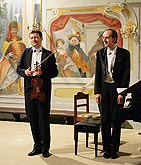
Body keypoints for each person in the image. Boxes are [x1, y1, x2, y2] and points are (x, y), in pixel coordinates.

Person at [16, 30, 58, 158]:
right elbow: (19, 68)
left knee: (43, 120)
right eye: (32, 38)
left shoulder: (49, 54)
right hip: (30, 90)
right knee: (33, 119)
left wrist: (42, 73)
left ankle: (45, 148)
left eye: (36, 37)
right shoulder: (26, 52)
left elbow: (55, 73)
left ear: (41, 39)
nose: (34, 40)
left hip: (43, 92)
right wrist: (25, 72)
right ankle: (37, 146)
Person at [94, 29, 130, 159]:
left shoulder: (125, 54)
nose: (104, 40)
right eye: (103, 37)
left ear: (115, 38)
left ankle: (114, 149)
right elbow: (98, 74)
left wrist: (122, 93)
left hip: (117, 90)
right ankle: (106, 149)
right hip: (104, 90)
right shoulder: (100, 53)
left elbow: (126, 74)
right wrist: (97, 92)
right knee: (105, 121)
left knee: (115, 121)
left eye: (107, 37)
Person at [0, 21, 26, 95]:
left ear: (17, 30)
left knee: (17, 73)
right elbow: (5, 52)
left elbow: (23, 49)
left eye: (14, 30)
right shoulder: (7, 41)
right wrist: (10, 55)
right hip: (9, 60)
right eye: (12, 30)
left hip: (19, 59)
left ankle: (11, 87)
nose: (13, 31)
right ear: (10, 31)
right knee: (17, 73)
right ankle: (19, 90)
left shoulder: (20, 40)